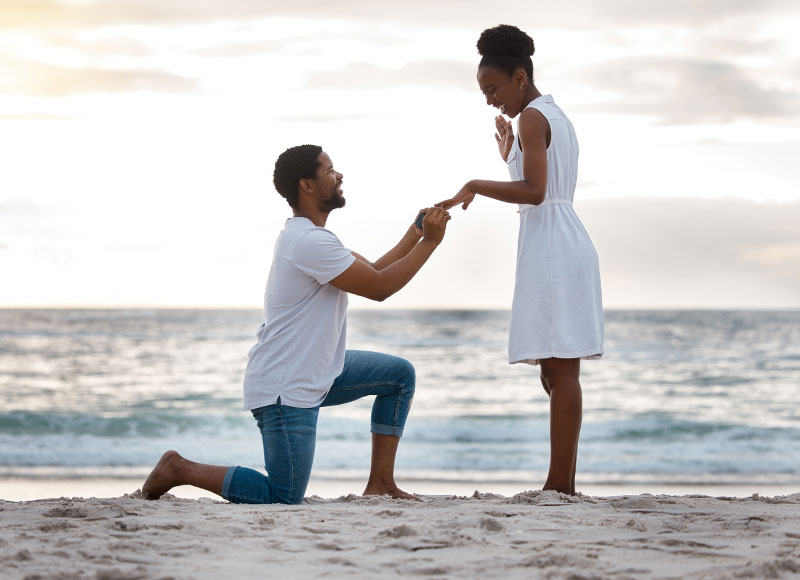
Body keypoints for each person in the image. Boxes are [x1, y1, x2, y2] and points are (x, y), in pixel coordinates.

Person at [142, 144, 450, 504]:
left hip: (317, 371)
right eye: (330, 171)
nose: (339, 176)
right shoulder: (308, 242)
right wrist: (431, 242)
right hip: (285, 385)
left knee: (399, 377)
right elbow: (380, 288)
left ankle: (381, 482)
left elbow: (377, 269)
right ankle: (179, 468)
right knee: (284, 494)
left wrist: (415, 234)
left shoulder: (312, 239)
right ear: (307, 185)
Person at [436, 25, 603, 495]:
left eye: (493, 89)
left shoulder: (533, 117)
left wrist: (475, 184)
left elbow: (535, 191)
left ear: (520, 76)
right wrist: (510, 155)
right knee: (554, 368)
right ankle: (563, 481)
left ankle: (559, 485)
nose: (490, 100)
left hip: (553, 247)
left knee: (562, 367)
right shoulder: (552, 116)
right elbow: (538, 181)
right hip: (558, 241)